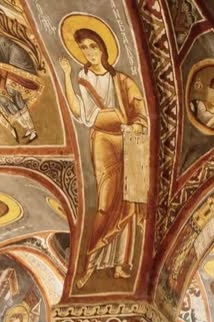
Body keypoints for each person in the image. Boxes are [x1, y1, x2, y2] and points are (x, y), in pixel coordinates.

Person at [59, 23, 148, 287]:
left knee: (130, 199)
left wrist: (136, 125)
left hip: (129, 141)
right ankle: (90, 260)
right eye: (84, 48)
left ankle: (123, 263)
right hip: (103, 142)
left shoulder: (122, 80)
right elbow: (78, 111)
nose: (89, 52)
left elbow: (140, 109)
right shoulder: (82, 79)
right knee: (106, 202)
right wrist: (65, 75)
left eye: (93, 46)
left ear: (103, 48)